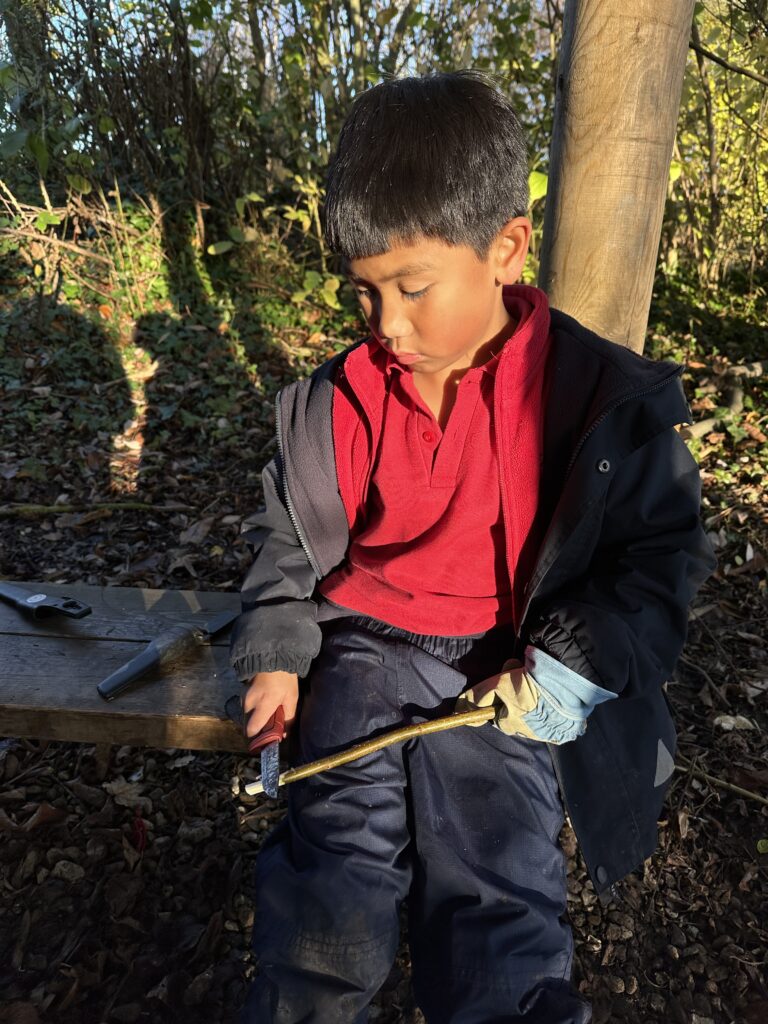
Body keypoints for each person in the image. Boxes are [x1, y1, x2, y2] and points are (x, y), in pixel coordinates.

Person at [229, 71, 716, 1024]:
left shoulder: (600, 400)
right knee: (336, 872)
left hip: (505, 670)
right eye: (364, 294)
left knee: (499, 883)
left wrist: (572, 665)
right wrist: (279, 653)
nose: (388, 325)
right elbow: (285, 534)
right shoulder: (345, 398)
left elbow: (658, 564)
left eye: (414, 288)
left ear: (506, 249)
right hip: (361, 648)